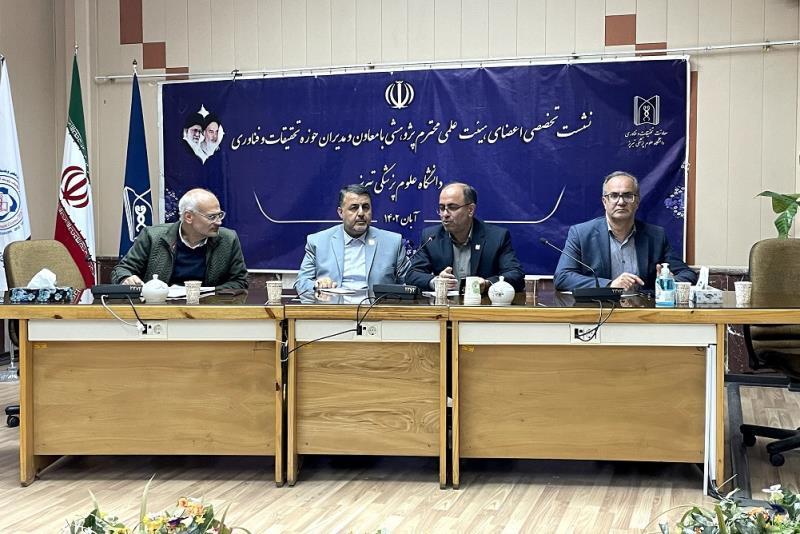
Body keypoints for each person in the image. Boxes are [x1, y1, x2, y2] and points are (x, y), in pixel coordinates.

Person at [554, 170, 697, 292]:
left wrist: (669, 281)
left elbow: (687, 274)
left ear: (637, 202)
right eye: (614, 195)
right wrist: (610, 285)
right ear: (604, 202)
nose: (621, 202)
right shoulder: (581, 234)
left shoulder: (656, 236)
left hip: (643, 311)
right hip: (598, 309)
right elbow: (563, 277)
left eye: (628, 196)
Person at [111, 188, 248, 290]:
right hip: (161, 309)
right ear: (188, 217)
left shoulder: (228, 239)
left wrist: (204, 292)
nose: (219, 222)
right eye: (212, 217)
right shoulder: (152, 237)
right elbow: (121, 270)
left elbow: (240, 282)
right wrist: (126, 278)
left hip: (208, 311)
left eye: (220, 215)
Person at [405, 182, 524, 294]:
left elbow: (515, 274)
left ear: (470, 210)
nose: (445, 214)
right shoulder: (431, 237)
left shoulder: (496, 237)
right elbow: (412, 274)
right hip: (445, 306)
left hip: (481, 305)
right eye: (441, 208)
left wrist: (487, 284)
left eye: (452, 207)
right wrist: (435, 282)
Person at [294, 184, 406, 295]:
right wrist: (317, 285)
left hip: (377, 305)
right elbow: (301, 283)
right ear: (340, 213)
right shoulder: (318, 242)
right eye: (354, 208)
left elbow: (409, 283)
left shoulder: (392, 243)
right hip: (332, 305)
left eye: (365, 207)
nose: (361, 213)